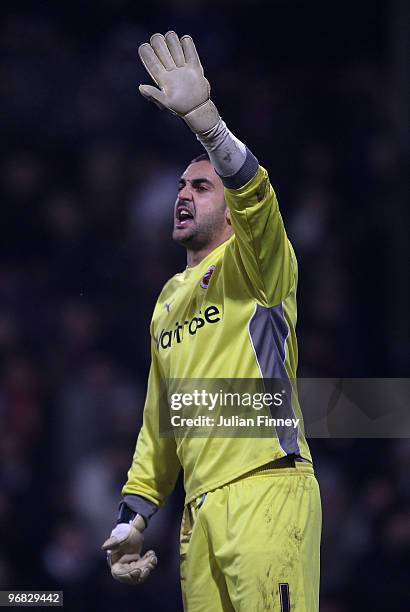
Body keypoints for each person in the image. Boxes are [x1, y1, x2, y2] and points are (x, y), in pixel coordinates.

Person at [102, 31, 321, 611]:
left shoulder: (259, 265)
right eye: (180, 185)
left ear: (229, 211)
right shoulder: (168, 299)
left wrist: (208, 125)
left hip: (266, 487)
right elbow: (160, 423)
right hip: (197, 517)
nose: (183, 193)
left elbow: (256, 197)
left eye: (201, 186)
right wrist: (132, 517)